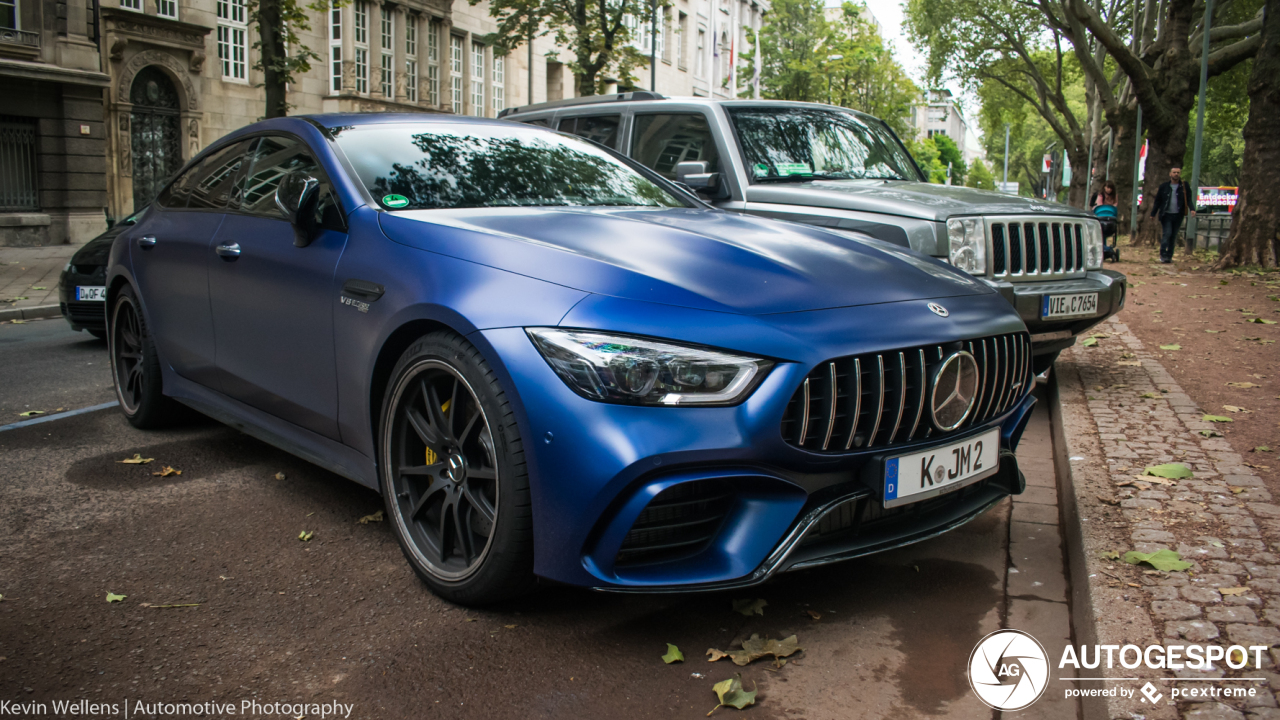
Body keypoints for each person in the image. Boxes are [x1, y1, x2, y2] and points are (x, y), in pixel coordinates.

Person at [1149, 167, 1196, 264]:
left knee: (1173, 235)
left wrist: (1192, 209)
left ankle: (1169, 256)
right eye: (1174, 172)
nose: (1176, 174)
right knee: (1167, 233)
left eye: (1178, 173)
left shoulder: (1184, 186)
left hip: (1178, 215)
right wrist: (1153, 213)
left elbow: (1189, 199)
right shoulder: (1164, 186)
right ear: (1170, 174)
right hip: (1166, 215)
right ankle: (1163, 254)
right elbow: (1158, 201)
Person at [1091, 180, 1119, 262]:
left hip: (1110, 216)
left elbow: (1115, 204)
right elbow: (1099, 204)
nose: (1108, 190)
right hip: (1101, 215)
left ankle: (1105, 248)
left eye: (1110, 188)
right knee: (1101, 231)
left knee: (1107, 230)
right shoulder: (1101, 195)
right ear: (1104, 187)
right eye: (1107, 188)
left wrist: (1112, 208)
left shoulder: (1114, 196)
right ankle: (1103, 247)